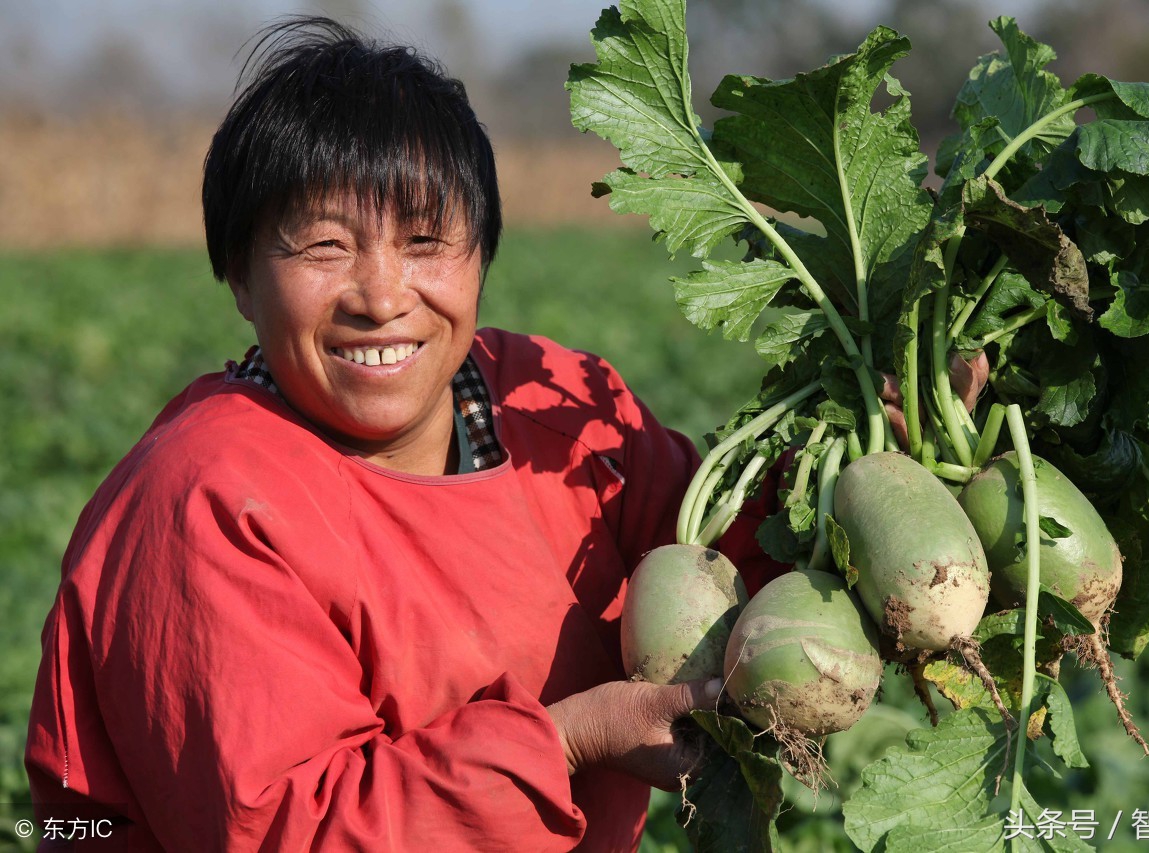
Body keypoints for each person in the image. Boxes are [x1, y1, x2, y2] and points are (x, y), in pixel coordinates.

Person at [24, 17, 778, 852]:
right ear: (240, 275)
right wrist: (567, 741)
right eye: (325, 245)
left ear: (481, 255)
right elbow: (285, 830)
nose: (381, 295)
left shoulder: (558, 410)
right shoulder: (204, 498)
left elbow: (744, 544)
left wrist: (871, 454)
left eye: (424, 241)